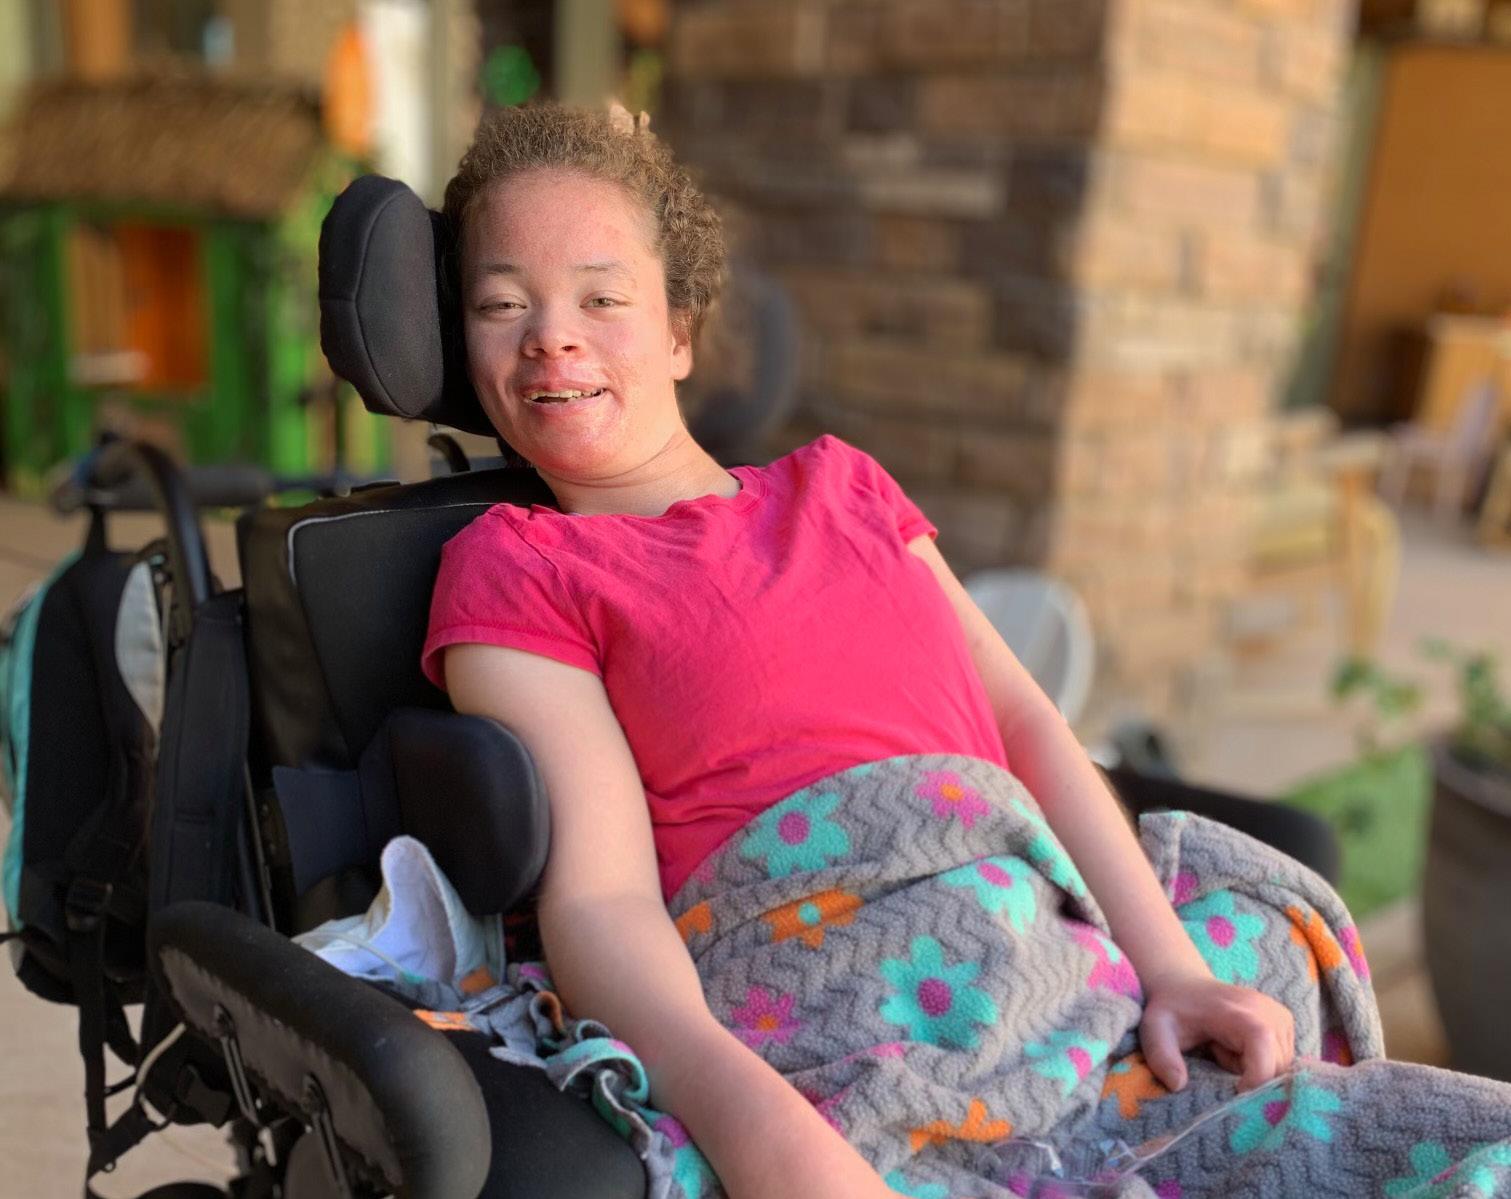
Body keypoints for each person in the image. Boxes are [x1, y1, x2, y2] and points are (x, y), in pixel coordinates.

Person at [420, 103, 1296, 1199]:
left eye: (602, 297)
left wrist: (1175, 969)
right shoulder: (521, 567)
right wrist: (775, 1143)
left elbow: (1025, 723)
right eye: (503, 304)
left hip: (1081, 980)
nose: (551, 335)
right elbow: (601, 903)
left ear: (681, 331)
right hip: (849, 1015)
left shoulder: (844, 487)